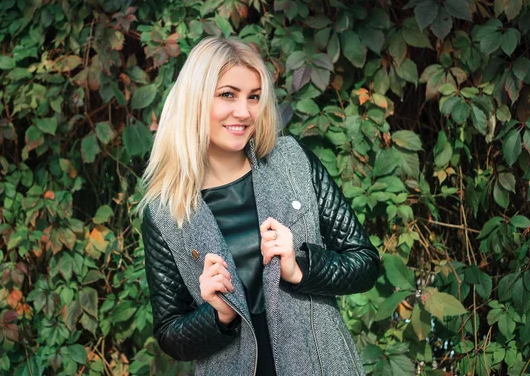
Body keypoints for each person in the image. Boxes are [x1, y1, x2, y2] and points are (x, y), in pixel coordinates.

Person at [136, 36, 380, 376]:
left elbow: (365, 263)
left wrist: (301, 268)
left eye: (253, 97)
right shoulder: (166, 212)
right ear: (194, 100)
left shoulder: (292, 162)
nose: (244, 111)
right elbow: (170, 336)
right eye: (227, 94)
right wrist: (217, 313)